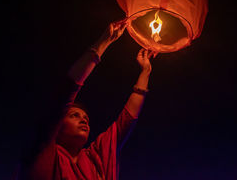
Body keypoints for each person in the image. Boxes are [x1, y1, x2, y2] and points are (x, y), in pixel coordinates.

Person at [17, 19, 155, 180]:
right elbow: (66, 91)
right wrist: (104, 42)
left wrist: (145, 72)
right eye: (74, 115)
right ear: (58, 125)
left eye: (86, 118)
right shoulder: (46, 153)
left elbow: (125, 122)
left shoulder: (95, 159)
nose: (84, 121)